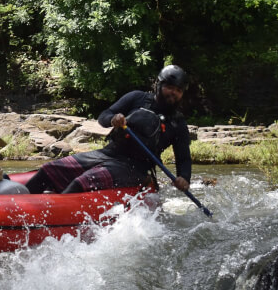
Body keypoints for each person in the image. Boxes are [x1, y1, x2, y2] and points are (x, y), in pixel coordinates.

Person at [25, 65, 193, 194]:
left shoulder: (178, 124)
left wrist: (184, 178)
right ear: (160, 85)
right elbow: (104, 116)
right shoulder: (137, 98)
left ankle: (54, 213)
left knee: (81, 182)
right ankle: (19, 201)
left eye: (179, 90)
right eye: (170, 87)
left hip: (135, 169)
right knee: (49, 170)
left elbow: (183, 158)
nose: (174, 93)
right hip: (108, 154)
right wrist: (113, 120)